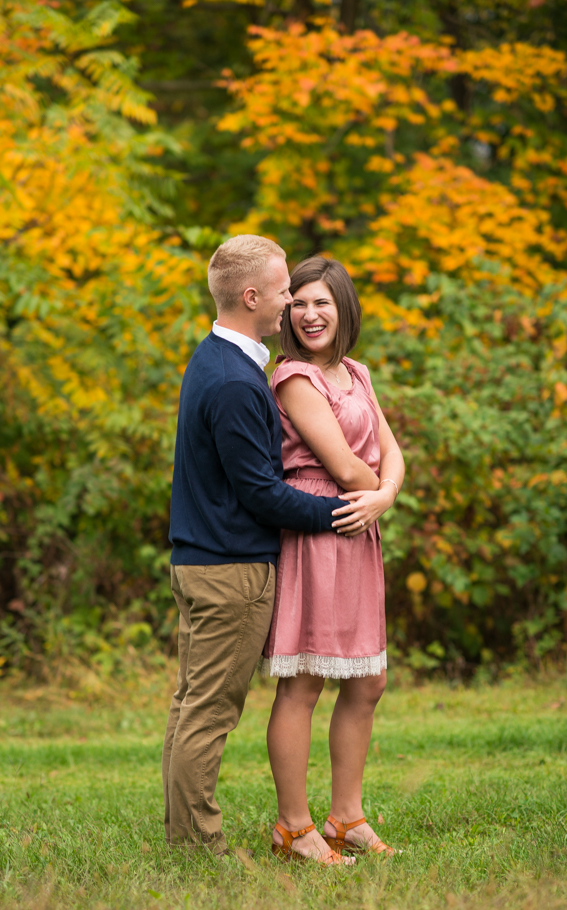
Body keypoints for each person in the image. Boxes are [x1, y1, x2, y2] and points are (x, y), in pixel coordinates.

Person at [164, 235, 381, 861]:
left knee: (193, 707)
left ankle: (187, 839)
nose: (292, 302)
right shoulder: (236, 380)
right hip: (227, 567)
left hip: (212, 560)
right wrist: (341, 511)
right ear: (253, 296)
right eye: (286, 290)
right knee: (208, 713)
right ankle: (200, 847)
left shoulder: (222, 362)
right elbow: (261, 494)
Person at [264, 256, 405, 864]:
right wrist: (372, 489)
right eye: (298, 302)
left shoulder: (357, 372)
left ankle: (347, 817)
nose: (309, 313)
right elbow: (344, 465)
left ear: (343, 307)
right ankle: (293, 828)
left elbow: (391, 452)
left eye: (321, 301)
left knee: (368, 680)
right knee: (305, 681)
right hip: (320, 526)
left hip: (361, 526)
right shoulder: (294, 376)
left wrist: (386, 495)